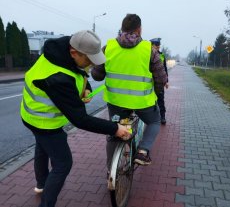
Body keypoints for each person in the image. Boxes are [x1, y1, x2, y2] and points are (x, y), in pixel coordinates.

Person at [20, 30, 131, 207]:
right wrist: (115, 128)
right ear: (74, 52)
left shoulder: (63, 49)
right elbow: (80, 120)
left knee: (42, 147)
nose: (91, 65)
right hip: (43, 121)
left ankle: (41, 184)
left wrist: (84, 90)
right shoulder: (57, 78)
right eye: (89, 60)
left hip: (31, 116)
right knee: (63, 163)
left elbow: (78, 72)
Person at [91, 14, 168, 168]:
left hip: (116, 102)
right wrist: (157, 92)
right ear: (139, 29)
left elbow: (96, 75)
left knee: (115, 133)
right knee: (154, 121)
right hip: (142, 103)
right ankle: (143, 151)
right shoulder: (149, 49)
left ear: (122, 28)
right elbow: (161, 78)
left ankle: (110, 172)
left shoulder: (108, 47)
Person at [150, 38, 169, 124]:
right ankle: (153, 118)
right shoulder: (148, 55)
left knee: (160, 100)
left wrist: (166, 81)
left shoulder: (161, 56)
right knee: (151, 102)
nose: (158, 47)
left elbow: (164, 69)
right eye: (156, 45)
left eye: (159, 45)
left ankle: (162, 117)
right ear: (151, 45)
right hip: (150, 83)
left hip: (159, 83)